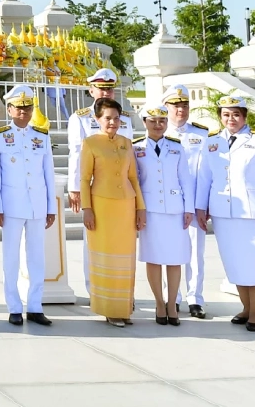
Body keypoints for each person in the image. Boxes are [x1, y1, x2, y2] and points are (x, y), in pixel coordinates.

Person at [195, 94, 255, 331]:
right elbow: (205, 177)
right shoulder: (212, 142)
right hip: (224, 213)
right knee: (236, 265)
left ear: (245, 116)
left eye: (236, 114)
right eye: (226, 114)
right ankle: (246, 309)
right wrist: (200, 207)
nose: (231, 119)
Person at [79, 95, 146, 327]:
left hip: (126, 205)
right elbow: (85, 178)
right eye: (108, 118)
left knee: (125, 258)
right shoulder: (90, 143)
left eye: (116, 118)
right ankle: (109, 308)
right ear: (97, 119)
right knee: (106, 256)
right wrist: (87, 208)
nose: (112, 123)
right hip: (102, 206)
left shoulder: (127, 143)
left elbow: (133, 177)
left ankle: (124, 306)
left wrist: (140, 208)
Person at [0, 85, 56, 326]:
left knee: (37, 257)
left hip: (37, 205)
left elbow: (48, 174)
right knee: (10, 257)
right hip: (10, 205)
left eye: (27, 107)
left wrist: (51, 207)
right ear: (9, 109)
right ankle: (14, 306)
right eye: (18, 108)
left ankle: (35, 305)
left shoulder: (41, 136)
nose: (23, 111)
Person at [66, 68, 132, 287]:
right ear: (91, 90)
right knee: (93, 238)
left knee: (119, 239)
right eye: (101, 89)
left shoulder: (126, 119)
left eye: (109, 89)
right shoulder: (80, 117)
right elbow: (76, 153)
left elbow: (129, 157)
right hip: (94, 185)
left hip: (120, 188)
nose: (105, 93)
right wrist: (75, 188)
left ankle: (119, 290)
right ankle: (92, 286)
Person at [132, 103, 194, 326]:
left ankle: (172, 303)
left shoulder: (177, 147)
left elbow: (185, 179)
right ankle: (159, 302)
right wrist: (138, 210)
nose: (158, 125)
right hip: (150, 211)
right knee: (154, 258)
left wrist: (189, 209)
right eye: (153, 121)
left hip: (175, 209)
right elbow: (136, 181)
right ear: (145, 123)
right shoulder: (136, 147)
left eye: (162, 121)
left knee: (175, 258)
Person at [164, 85, 213, 318]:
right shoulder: (159, 133)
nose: (180, 110)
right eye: (175, 106)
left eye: (184, 106)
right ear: (166, 108)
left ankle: (195, 298)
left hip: (193, 203)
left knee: (196, 253)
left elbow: (205, 173)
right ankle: (170, 298)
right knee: (169, 251)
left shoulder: (201, 135)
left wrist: (203, 204)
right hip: (169, 203)